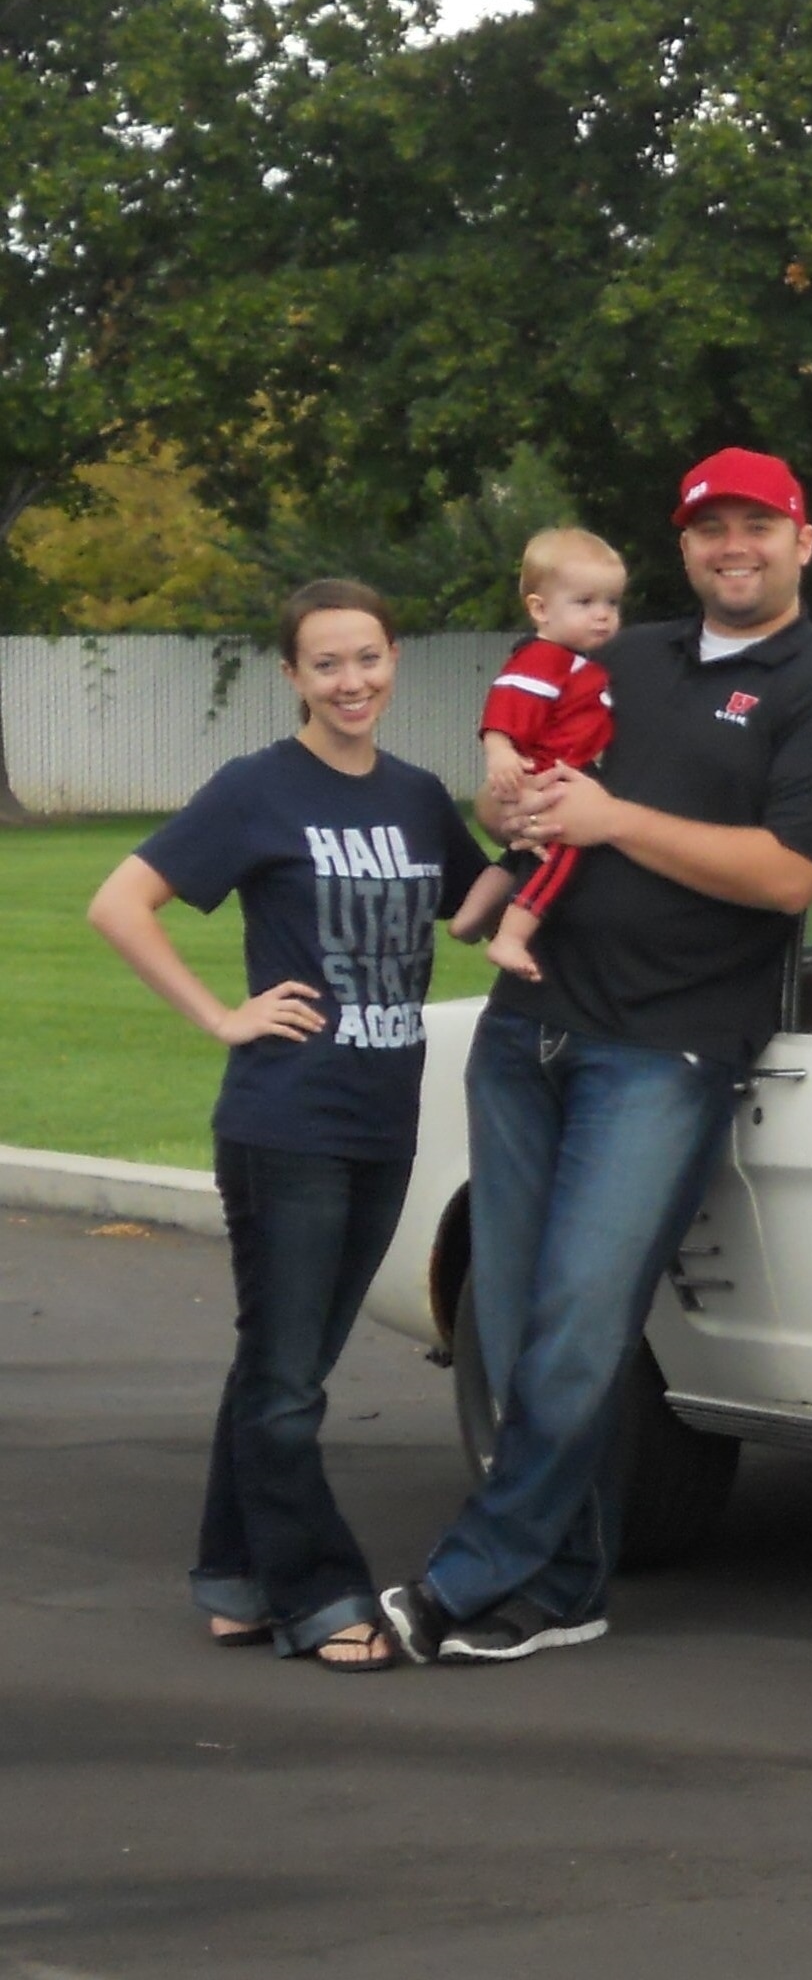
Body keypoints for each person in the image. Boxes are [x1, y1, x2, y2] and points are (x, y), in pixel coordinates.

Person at [378, 448, 812, 1666]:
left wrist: (613, 821)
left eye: (758, 526)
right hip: (527, 1029)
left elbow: (787, 875)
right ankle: (561, 1590)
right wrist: (513, 799)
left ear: (802, 542)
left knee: (579, 1323)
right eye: (711, 528)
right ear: (686, 546)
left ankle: (471, 1576)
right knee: (508, 1319)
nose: (734, 547)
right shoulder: (619, 655)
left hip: (665, 1049)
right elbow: (531, 774)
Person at [87, 581, 490, 1673]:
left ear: (394, 659)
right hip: (286, 1120)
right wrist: (221, 1013)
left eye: (367, 658)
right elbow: (119, 902)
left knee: (285, 1360)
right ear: (293, 676)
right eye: (327, 664)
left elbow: (474, 908)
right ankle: (319, 1593)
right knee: (288, 1376)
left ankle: (232, 1576)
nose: (351, 681)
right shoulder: (258, 789)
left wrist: (560, 828)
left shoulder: (416, 796)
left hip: (382, 1118)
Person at [458, 526, 626, 981]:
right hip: (554, 774)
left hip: (559, 770)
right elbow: (507, 702)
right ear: (539, 609)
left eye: (611, 603)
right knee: (563, 856)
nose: (603, 616)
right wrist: (499, 750)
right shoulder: (545, 658)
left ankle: (470, 918)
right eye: (585, 602)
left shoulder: (577, 661)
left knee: (518, 857)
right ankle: (511, 938)